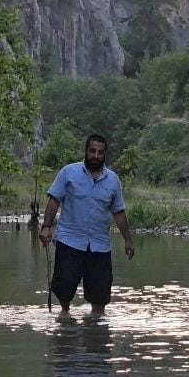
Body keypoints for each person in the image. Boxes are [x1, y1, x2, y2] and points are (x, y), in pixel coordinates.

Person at [38, 133, 135, 317]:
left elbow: (119, 212)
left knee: (100, 298)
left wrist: (128, 240)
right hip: (69, 241)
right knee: (64, 290)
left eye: (100, 152)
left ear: (105, 154)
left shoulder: (113, 180)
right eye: (92, 151)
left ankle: (95, 335)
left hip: (100, 245)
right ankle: (65, 318)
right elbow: (54, 200)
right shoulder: (68, 172)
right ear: (86, 151)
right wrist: (46, 226)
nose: (96, 156)